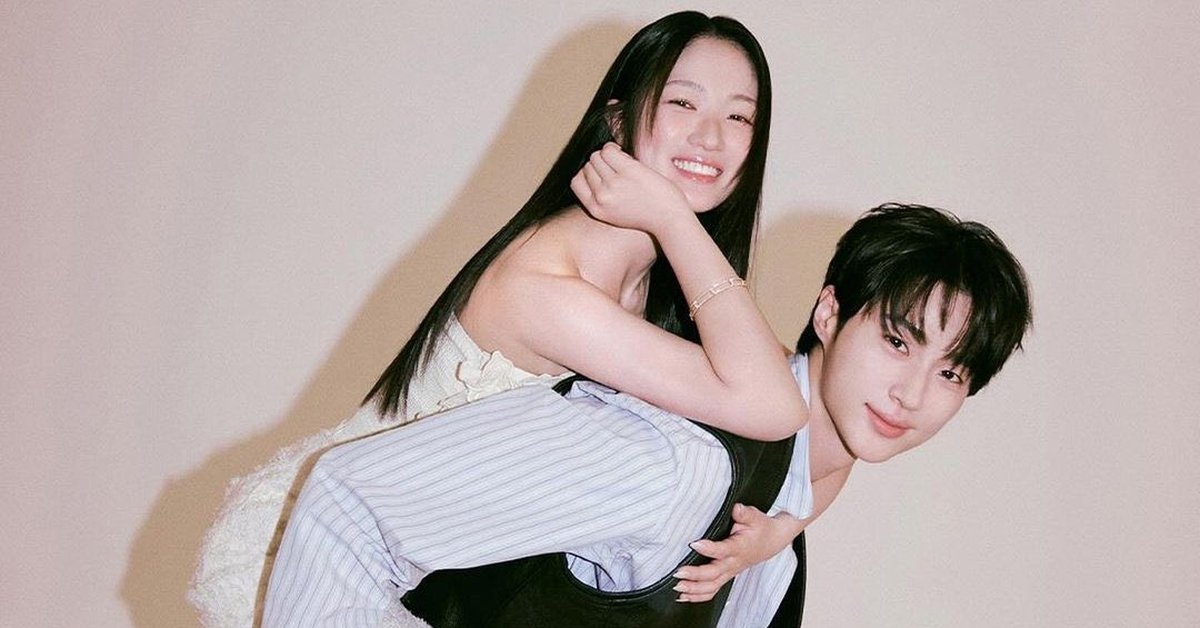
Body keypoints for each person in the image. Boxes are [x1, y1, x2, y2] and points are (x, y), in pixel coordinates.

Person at [191, 12, 810, 628]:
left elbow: (796, 407)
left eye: (739, 117)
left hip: (416, 564)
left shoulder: (646, 284)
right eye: (682, 103)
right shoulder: (549, 285)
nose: (711, 138)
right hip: (322, 556)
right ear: (618, 122)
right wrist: (675, 220)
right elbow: (773, 406)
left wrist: (783, 529)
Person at [259, 204, 1034, 627]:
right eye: (898, 341)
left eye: (952, 371)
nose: (912, 394)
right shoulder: (683, 458)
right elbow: (347, 507)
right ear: (830, 313)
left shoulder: (781, 533)